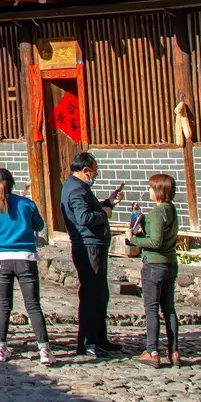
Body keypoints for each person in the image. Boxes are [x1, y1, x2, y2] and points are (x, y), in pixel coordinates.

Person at [0, 168, 52, 365]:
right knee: (33, 305)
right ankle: (44, 350)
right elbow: (39, 225)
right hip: (26, 258)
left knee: (3, 305)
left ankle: (0, 348)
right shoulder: (26, 204)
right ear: (13, 183)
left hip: (0, 260)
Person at [60, 151, 122, 356]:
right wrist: (104, 213)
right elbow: (84, 217)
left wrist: (108, 203)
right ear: (85, 170)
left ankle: (100, 338)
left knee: (100, 294)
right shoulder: (76, 190)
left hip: (94, 244)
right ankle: (88, 342)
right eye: (94, 171)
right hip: (88, 245)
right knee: (91, 295)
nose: (95, 175)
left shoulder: (78, 187)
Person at [124, 172, 181, 367]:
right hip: (170, 262)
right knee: (169, 309)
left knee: (152, 309)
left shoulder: (157, 213)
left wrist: (133, 238)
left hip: (155, 264)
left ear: (157, 191)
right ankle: (174, 351)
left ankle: (152, 350)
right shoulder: (171, 210)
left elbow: (155, 241)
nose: (148, 191)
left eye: (150, 188)